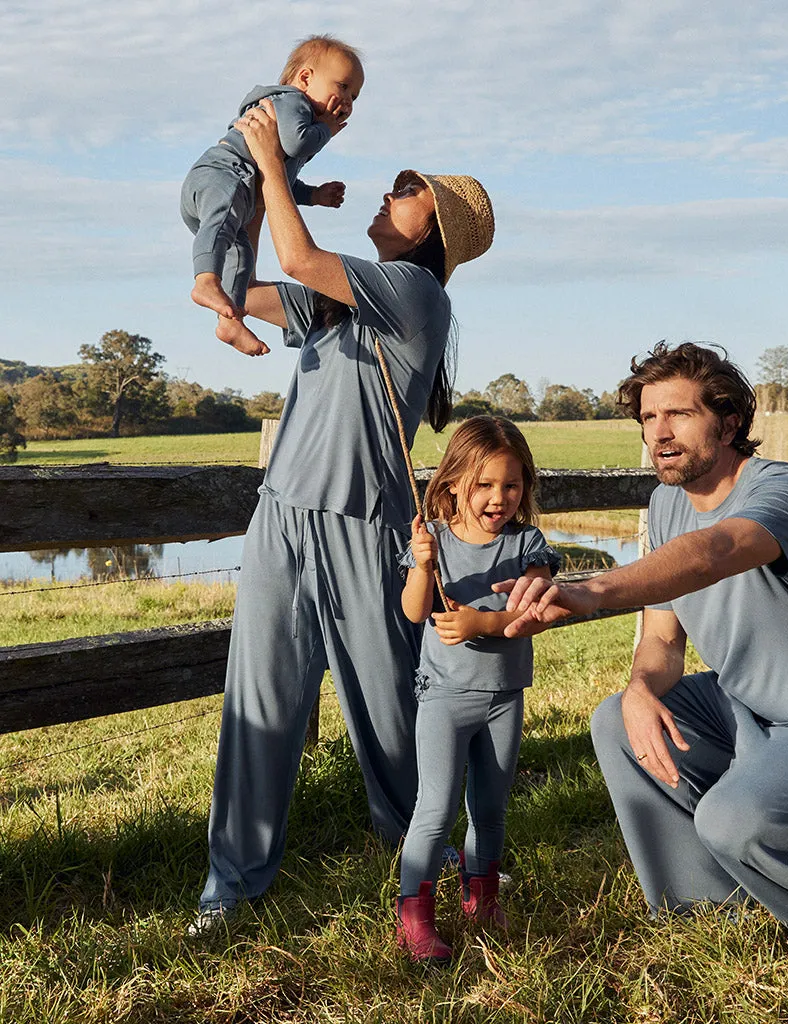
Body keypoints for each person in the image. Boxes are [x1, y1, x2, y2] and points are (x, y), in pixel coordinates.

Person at [187, 94, 495, 936]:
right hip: (283, 517)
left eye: (405, 188)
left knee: (390, 713)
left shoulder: (413, 294)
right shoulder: (346, 299)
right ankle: (232, 885)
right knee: (260, 702)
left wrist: (279, 168)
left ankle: (430, 864)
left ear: (433, 226)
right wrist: (243, 191)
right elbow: (248, 286)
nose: (386, 193)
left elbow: (299, 251)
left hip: (366, 527)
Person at [498, 342, 788, 952]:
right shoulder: (665, 503)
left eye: (678, 415)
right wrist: (641, 687)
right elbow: (663, 638)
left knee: (731, 821)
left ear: (729, 422)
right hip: (743, 704)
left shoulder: (781, 492)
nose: (659, 433)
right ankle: (711, 911)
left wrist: (590, 590)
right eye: (647, 418)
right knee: (619, 718)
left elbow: (714, 554)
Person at [394, 417, 560, 963]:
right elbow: (415, 610)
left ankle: (481, 900)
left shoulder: (527, 543)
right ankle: (414, 920)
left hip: (503, 698)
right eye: (484, 484)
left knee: (490, 808)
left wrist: (479, 625)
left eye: (511, 485)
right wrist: (422, 566)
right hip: (443, 699)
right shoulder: (434, 541)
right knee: (434, 809)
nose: (499, 498)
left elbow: (535, 616)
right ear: (451, 485)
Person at [180, 34, 363, 357]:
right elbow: (297, 143)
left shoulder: (298, 116)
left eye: (355, 96)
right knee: (224, 216)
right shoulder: (292, 101)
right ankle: (206, 280)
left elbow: (279, 180)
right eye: (343, 86)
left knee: (242, 256)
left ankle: (230, 320)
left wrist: (315, 195)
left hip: (239, 192)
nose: (347, 101)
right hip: (221, 175)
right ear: (305, 78)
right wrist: (327, 131)